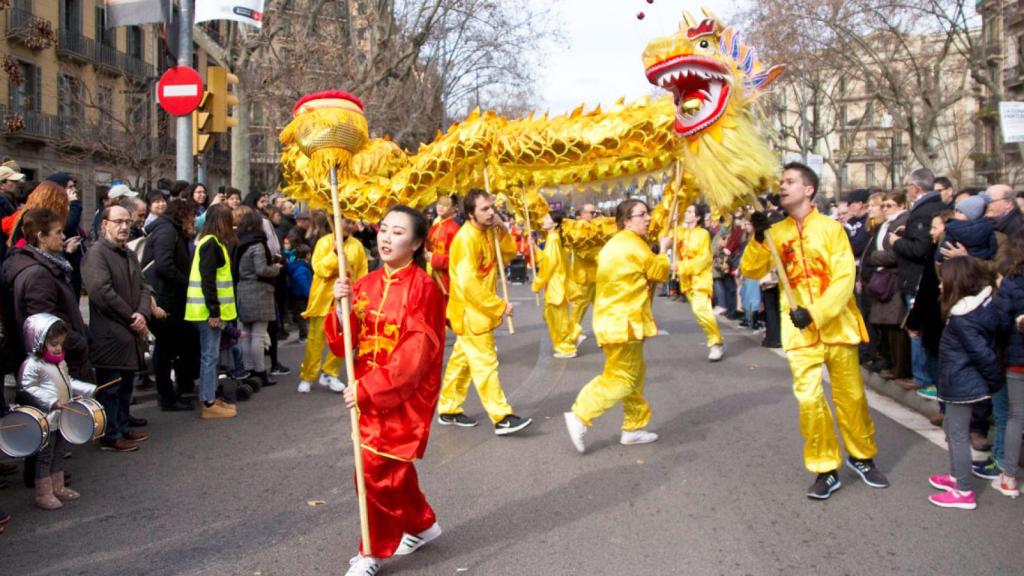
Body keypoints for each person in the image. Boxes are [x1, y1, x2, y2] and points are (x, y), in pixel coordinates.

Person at [743, 162, 888, 499]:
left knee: (851, 397)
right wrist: (757, 238)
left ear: (808, 189)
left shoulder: (832, 229)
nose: (782, 187)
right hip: (799, 334)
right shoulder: (775, 233)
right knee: (810, 401)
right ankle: (825, 467)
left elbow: (843, 280)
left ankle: (862, 457)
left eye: (790, 181)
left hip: (836, 326)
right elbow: (751, 269)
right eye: (781, 181)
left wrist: (816, 313)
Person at [325, 206, 446, 576]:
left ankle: (374, 550)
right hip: (366, 392)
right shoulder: (365, 283)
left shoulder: (423, 288)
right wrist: (340, 305)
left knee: (374, 469)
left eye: (397, 232)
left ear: (416, 243)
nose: (386, 238)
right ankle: (423, 524)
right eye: (384, 230)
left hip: (402, 396)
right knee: (389, 468)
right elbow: (343, 345)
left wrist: (370, 388)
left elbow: (415, 353)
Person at [563, 199, 670, 453]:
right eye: (641, 215)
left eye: (648, 214)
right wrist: (664, 251)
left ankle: (633, 428)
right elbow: (659, 272)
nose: (647, 219)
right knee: (621, 377)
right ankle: (580, 415)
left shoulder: (617, 244)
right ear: (626, 221)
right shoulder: (633, 246)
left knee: (635, 374)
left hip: (616, 321)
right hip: (624, 323)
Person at [437, 189, 532, 435]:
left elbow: (509, 254)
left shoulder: (488, 230)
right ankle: (501, 416)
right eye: (485, 209)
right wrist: (498, 306)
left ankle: (448, 407)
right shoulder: (465, 238)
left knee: (462, 361)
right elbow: (469, 284)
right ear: (470, 214)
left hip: (480, 310)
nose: (491, 213)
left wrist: (501, 228)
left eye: (492, 207)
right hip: (471, 312)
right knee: (485, 363)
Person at [929, 256, 1002, 509]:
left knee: (958, 436)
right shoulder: (974, 309)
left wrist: (993, 383)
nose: (940, 287)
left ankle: (963, 491)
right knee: (952, 431)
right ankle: (955, 476)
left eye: (943, 282)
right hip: (962, 382)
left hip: (963, 385)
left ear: (956, 283)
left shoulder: (963, 317)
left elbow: (983, 354)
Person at [82, 204, 152, 451]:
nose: (124, 227)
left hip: (131, 332)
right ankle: (110, 435)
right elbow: (101, 292)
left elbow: (144, 286)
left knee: (125, 386)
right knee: (110, 388)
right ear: (105, 224)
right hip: (111, 334)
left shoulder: (128, 253)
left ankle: (122, 427)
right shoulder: (97, 253)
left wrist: (142, 313)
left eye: (127, 222)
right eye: (118, 222)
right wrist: (131, 316)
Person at [17, 314, 96, 510]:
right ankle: (44, 493)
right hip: (45, 418)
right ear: (39, 342)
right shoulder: (32, 365)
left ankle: (58, 487)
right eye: (53, 344)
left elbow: (68, 382)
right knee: (45, 455)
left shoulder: (59, 362)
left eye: (60, 344)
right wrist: (52, 401)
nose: (58, 348)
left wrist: (89, 389)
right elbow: (26, 387)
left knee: (59, 452)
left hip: (62, 416)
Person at [298, 218, 367, 393]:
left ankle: (330, 372)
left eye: (352, 223)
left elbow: (362, 273)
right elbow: (319, 268)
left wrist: (359, 295)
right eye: (346, 221)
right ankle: (308, 375)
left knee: (345, 337)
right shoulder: (324, 242)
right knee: (315, 339)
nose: (349, 226)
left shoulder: (357, 246)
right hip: (323, 299)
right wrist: (335, 253)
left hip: (345, 299)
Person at [184, 204, 238, 420]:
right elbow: (208, 281)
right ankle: (208, 402)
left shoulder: (211, 242)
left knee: (211, 357)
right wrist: (214, 311)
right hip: (207, 312)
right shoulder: (211, 244)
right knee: (210, 357)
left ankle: (211, 398)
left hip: (207, 311)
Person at [141, 198, 196, 411]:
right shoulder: (167, 232)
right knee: (166, 347)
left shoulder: (170, 230)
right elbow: (164, 265)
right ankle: (167, 396)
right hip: (165, 298)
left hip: (169, 296)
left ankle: (173, 391)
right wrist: (186, 283)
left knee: (171, 345)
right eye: (191, 216)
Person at [861, 192, 911, 381]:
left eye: (889, 205)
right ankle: (886, 360)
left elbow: (894, 253)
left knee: (895, 325)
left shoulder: (902, 222)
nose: (885, 209)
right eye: (884, 206)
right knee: (881, 324)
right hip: (880, 278)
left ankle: (899, 368)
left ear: (901, 205)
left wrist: (875, 257)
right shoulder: (885, 224)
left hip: (893, 279)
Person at [234, 208, 282, 389]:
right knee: (258, 334)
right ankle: (260, 371)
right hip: (259, 291)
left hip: (242, 289)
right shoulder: (258, 244)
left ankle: (247, 369)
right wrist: (276, 267)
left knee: (245, 334)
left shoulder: (239, 242)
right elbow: (262, 269)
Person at [993, 230, 1024, 499]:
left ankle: (1010, 477)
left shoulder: (1012, 283)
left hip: (1017, 359)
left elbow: (1000, 324)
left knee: (1016, 416)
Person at [671, 204, 724, 361]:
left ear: (698, 217)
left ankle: (716, 342)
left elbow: (704, 259)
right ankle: (715, 340)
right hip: (686, 280)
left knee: (701, 309)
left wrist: (681, 266)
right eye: (686, 211)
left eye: (689, 212)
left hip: (700, 278)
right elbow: (666, 237)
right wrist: (671, 220)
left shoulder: (703, 234)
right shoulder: (680, 232)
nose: (686, 214)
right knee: (698, 313)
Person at [531, 210, 577, 359]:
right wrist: (536, 248)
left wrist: (537, 284)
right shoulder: (554, 238)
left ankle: (568, 345)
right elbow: (547, 259)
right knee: (550, 316)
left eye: (547, 218)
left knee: (558, 320)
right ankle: (572, 336)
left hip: (556, 285)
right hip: (556, 284)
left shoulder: (553, 239)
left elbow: (548, 265)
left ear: (555, 223)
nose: (544, 220)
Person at [569, 202, 600, 343]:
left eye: (595, 212)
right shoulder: (578, 229)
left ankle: (605, 333)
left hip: (597, 275)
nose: (594, 215)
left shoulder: (595, 227)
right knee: (579, 307)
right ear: (581, 215)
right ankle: (570, 337)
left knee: (601, 305)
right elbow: (585, 253)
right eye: (591, 213)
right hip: (584, 276)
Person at [427, 194, 460, 299]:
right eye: (439, 203)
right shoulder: (434, 227)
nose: (440, 207)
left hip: (446, 282)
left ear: (454, 208)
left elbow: (457, 260)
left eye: (445, 204)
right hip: (431, 280)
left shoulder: (454, 229)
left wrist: (433, 258)